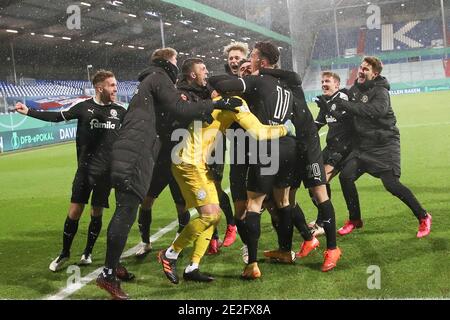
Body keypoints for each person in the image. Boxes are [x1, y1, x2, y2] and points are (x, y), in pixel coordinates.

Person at [96, 48, 220, 300]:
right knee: (125, 211)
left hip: (131, 151)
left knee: (125, 210)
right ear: (167, 62)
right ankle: (107, 274)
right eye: (175, 61)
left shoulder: (149, 82)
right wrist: (215, 103)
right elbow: (180, 110)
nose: (175, 66)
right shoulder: (159, 76)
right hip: (135, 154)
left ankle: (113, 264)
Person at [158, 95, 296, 284]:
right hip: (189, 163)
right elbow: (259, 132)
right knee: (209, 215)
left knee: (214, 216)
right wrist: (285, 128)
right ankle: (170, 254)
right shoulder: (236, 101)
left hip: (194, 162)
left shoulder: (212, 102)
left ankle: (192, 267)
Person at [14, 70, 126, 271]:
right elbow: (57, 116)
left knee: (96, 212)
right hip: (85, 171)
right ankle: (64, 253)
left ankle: (88, 253)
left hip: (106, 174)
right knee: (75, 211)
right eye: (112, 85)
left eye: (116, 85)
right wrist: (28, 111)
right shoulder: (83, 107)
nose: (115, 89)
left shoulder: (120, 110)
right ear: (100, 88)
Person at [212, 41, 302, 279]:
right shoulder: (285, 85)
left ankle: (251, 263)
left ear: (261, 62)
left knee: (253, 205)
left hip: (266, 147)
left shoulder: (259, 81)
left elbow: (221, 83)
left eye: (251, 57)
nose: (248, 62)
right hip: (289, 146)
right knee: (283, 202)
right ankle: (285, 250)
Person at [254, 66, 342, 272]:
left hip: (308, 142)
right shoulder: (269, 89)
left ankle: (332, 249)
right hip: (291, 145)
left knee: (319, 192)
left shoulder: (288, 82)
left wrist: (263, 70)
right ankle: (306, 240)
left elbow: (294, 75)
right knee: (287, 200)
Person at [333, 56, 432, 237]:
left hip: (384, 144)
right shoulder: (354, 90)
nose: (361, 71)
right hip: (364, 146)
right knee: (346, 177)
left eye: (366, 69)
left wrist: (347, 104)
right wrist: (331, 110)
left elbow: (375, 111)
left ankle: (423, 216)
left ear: (375, 73)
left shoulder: (381, 92)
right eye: (361, 68)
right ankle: (355, 219)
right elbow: (350, 114)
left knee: (392, 185)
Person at [307, 71, 353, 236]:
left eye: (327, 81)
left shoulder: (344, 98)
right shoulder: (327, 101)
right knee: (313, 183)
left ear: (337, 85)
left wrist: (328, 108)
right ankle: (322, 219)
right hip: (331, 147)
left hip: (344, 149)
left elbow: (347, 120)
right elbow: (317, 125)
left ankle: (323, 222)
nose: (324, 84)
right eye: (322, 82)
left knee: (320, 182)